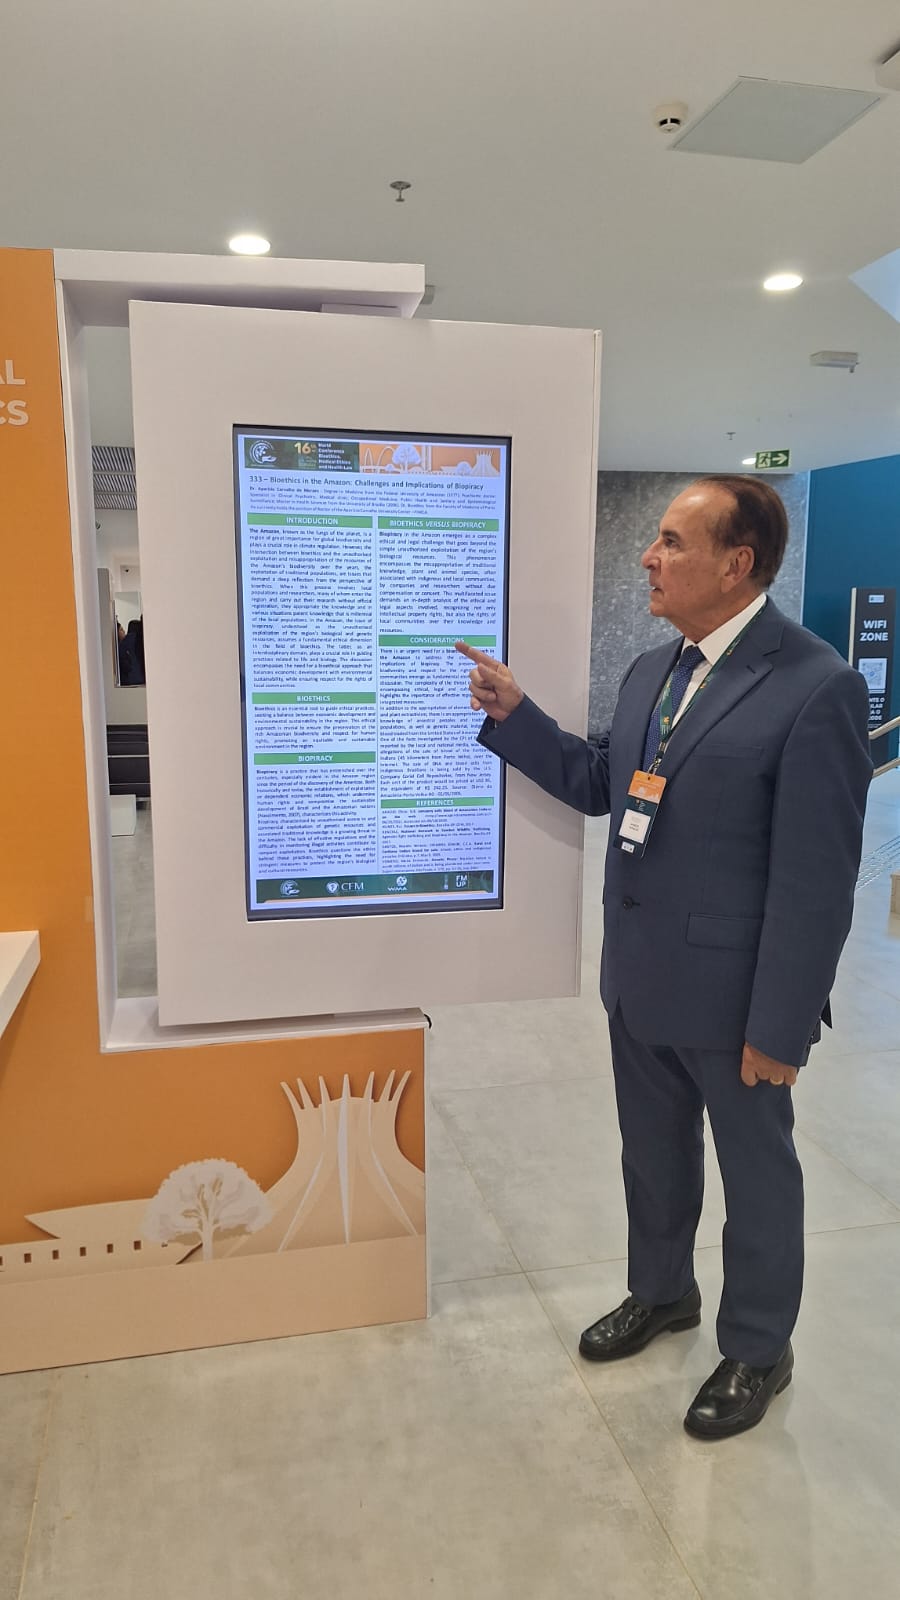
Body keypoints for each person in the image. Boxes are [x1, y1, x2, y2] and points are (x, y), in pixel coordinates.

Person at [457, 475, 872, 1439]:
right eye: (656, 539)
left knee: (756, 1178)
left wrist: (781, 1027)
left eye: (674, 542)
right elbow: (605, 780)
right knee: (651, 1156)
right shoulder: (655, 670)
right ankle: (662, 1292)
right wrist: (517, 715)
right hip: (641, 979)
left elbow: (817, 883)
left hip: (739, 1002)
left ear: (737, 564)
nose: (649, 557)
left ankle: (759, 1347)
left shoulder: (816, 687)